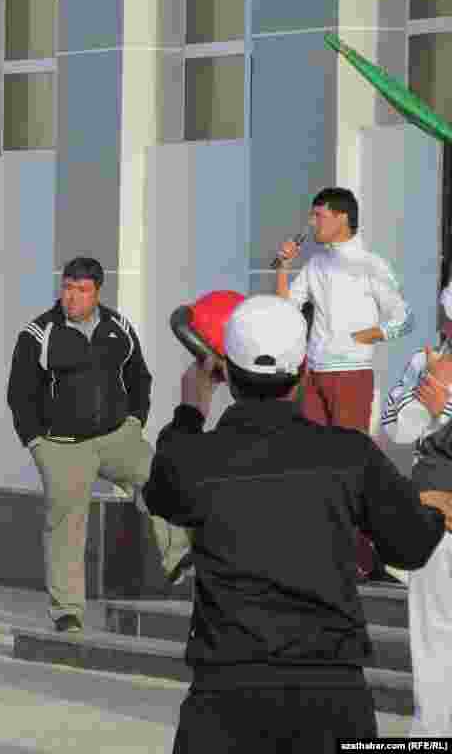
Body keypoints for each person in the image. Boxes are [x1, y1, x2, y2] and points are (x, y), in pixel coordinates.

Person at [143, 294, 448, 752]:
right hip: (331, 696)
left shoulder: (194, 459)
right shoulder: (350, 456)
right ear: (304, 370)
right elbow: (412, 546)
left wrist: (191, 409)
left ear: (226, 374)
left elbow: (160, 491)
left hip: (225, 694)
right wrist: (431, 507)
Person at [6, 256, 183, 633]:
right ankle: (67, 612)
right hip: (62, 446)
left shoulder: (118, 327)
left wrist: (136, 421)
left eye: (82, 290)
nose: (73, 297)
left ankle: (179, 559)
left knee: (163, 481)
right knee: (66, 528)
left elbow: (139, 376)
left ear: (97, 292)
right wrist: (37, 444)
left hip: (117, 437)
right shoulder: (38, 334)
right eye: (67, 288)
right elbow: (19, 394)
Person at [275, 186, 414, 582]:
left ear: (341, 218)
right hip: (314, 374)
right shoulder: (316, 263)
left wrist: (363, 338)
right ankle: (323, 553)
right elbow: (287, 309)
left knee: (349, 466)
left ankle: (360, 558)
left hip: (351, 374)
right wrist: (284, 267)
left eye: (318, 215)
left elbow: (402, 319)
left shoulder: (370, 264)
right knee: (311, 464)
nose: (312, 222)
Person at [380, 329, 452, 736]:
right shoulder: (424, 364)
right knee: (431, 640)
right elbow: (396, 428)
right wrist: (416, 383)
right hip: (433, 517)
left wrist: (443, 410)